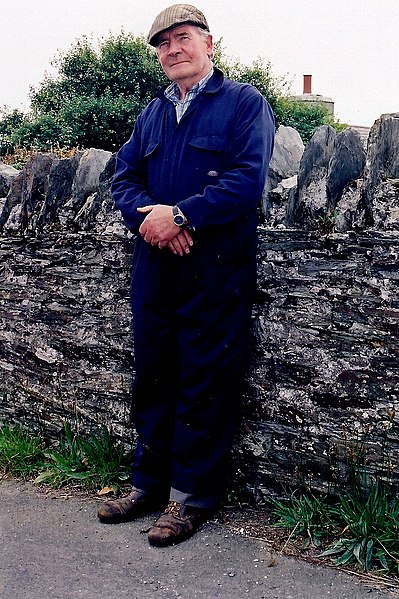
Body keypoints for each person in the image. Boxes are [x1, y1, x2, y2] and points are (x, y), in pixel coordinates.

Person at [98, 3, 275, 547]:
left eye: (182, 38)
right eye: (162, 44)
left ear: (208, 43)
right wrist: (149, 217)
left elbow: (247, 181)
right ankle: (147, 485)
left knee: (204, 378)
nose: (172, 49)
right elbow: (123, 177)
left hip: (215, 266)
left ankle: (190, 498)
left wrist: (181, 213)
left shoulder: (244, 104)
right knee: (153, 374)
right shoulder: (151, 114)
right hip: (156, 266)